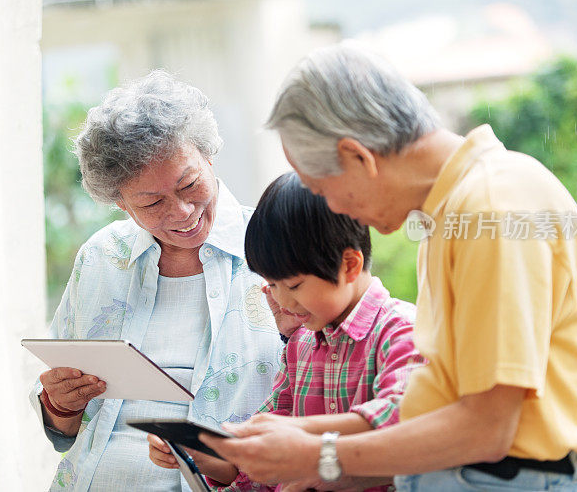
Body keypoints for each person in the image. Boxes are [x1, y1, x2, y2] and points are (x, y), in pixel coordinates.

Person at [201, 43, 577, 491]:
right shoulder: (453, 215)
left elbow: (487, 427)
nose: (335, 208)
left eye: (322, 189)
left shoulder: (491, 205)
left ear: (358, 157)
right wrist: (286, 438)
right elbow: (445, 406)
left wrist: (319, 455)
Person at [29, 70, 286, 492]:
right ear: (120, 202)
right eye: (152, 202)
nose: (182, 211)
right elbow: (62, 432)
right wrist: (60, 405)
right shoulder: (101, 258)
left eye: (189, 183)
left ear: (209, 155)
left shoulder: (276, 245)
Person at [149, 172, 423, 491]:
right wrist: (205, 454)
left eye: (293, 285)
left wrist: (299, 438)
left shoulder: (402, 330)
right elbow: (264, 463)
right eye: (272, 284)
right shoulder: (300, 345)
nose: (281, 300)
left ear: (349, 265)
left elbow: (404, 416)